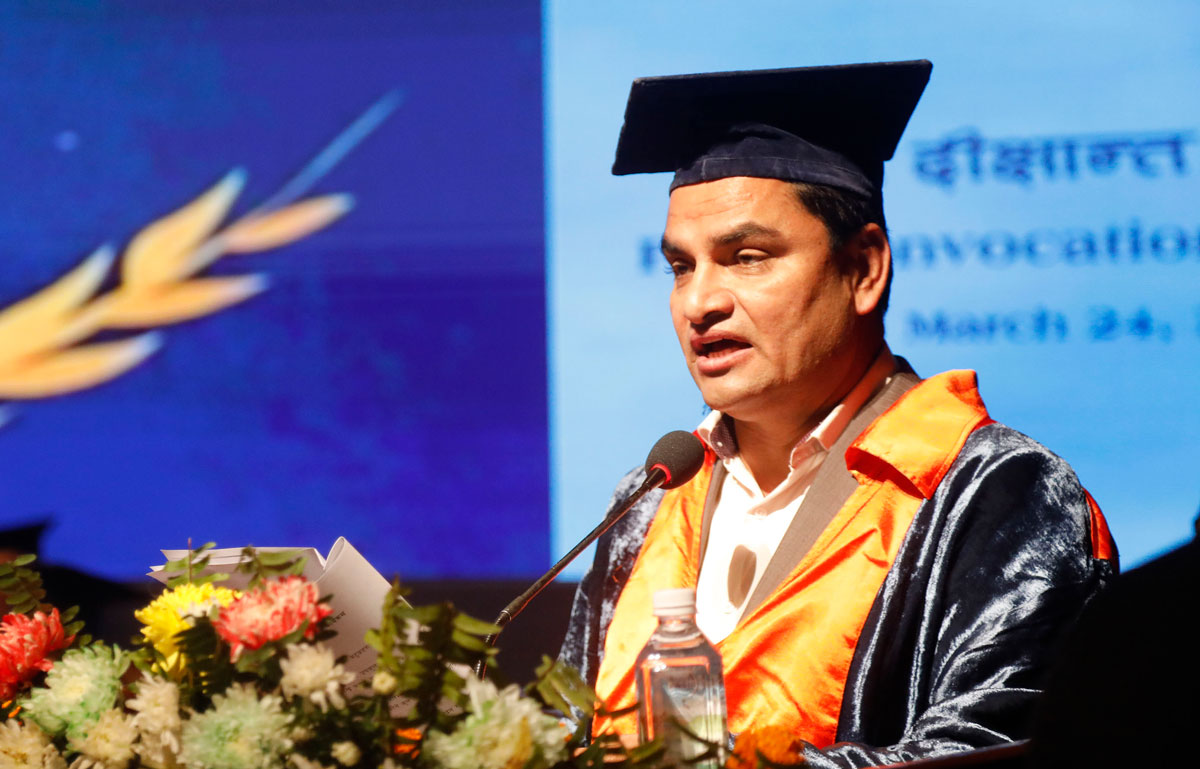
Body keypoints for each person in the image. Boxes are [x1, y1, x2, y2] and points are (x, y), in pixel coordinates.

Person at [559, 61, 1117, 768]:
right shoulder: (649, 505)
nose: (699, 302)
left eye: (747, 257)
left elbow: (987, 750)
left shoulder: (996, 494)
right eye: (681, 267)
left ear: (864, 269)